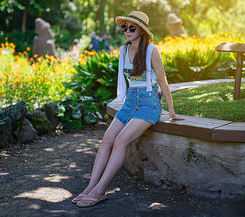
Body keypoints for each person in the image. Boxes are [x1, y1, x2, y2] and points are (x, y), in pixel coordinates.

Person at [72, 11, 185, 207]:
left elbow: (162, 81)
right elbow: (124, 85)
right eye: (125, 27)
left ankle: (100, 190)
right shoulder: (123, 51)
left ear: (142, 30)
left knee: (120, 140)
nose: (127, 31)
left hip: (149, 104)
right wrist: (123, 100)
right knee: (107, 138)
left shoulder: (152, 51)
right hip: (130, 103)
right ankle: (90, 187)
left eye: (132, 27)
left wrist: (172, 111)